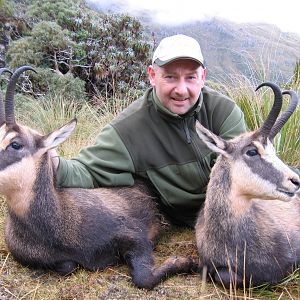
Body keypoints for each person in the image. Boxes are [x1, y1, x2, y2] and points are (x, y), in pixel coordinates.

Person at [54, 34, 247, 227]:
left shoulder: (225, 112)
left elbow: (241, 175)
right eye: (170, 77)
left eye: (191, 78)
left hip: (227, 214)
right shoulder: (128, 130)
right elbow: (87, 171)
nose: (181, 89)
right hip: (179, 221)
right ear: (153, 76)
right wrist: (49, 161)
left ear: (202, 77)